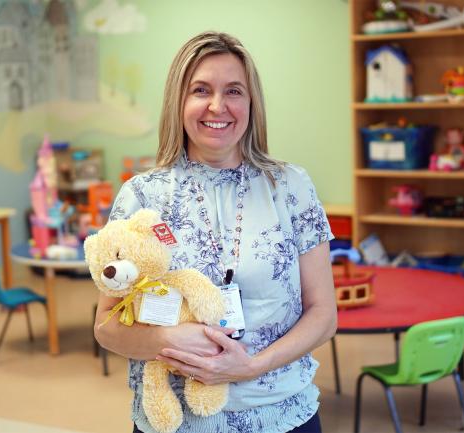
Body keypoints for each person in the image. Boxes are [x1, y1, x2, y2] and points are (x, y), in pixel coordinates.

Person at [95, 31, 337, 433]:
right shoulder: (141, 196)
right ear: (179, 101)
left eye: (234, 91)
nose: (217, 106)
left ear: (251, 102)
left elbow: (324, 314)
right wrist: (164, 341)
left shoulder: (291, 186)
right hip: (173, 422)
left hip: (280, 414)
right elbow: (105, 326)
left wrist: (250, 366)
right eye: (201, 90)